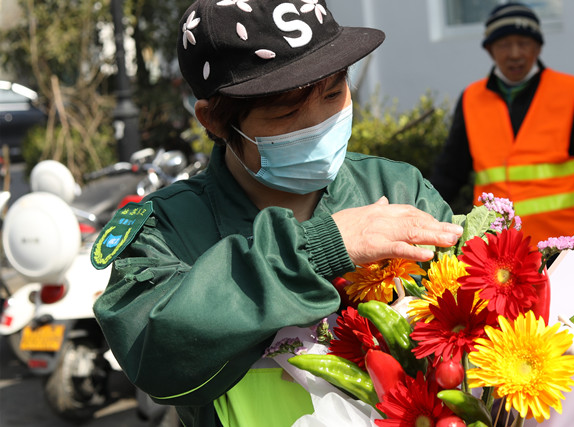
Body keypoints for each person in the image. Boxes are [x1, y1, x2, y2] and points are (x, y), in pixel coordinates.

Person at [90, 1, 462, 426]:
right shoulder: (167, 228)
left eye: (333, 94)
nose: (319, 124)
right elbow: (156, 358)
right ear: (213, 120)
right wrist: (320, 250)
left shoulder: (395, 189)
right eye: (286, 113)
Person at [431, 2, 574, 244]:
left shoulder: (570, 92)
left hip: (568, 243)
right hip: (499, 250)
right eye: (504, 44)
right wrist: (426, 218)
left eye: (524, 43)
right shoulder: (471, 99)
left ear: (538, 47)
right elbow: (450, 172)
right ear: (490, 50)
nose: (515, 53)